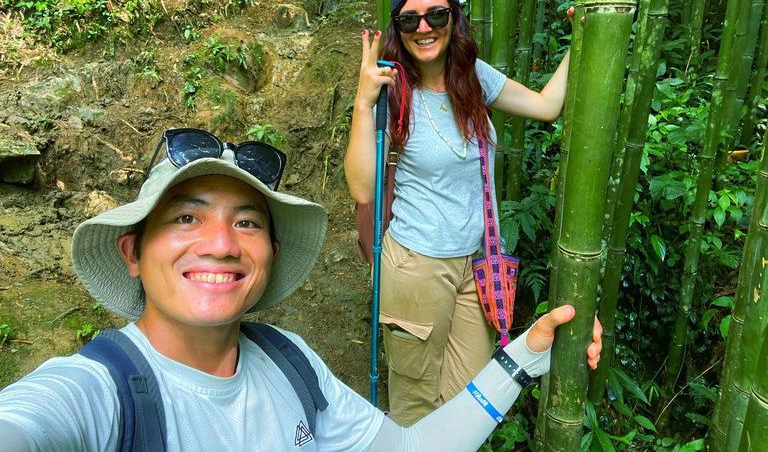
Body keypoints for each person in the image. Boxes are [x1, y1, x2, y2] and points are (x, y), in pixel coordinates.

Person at [0, 128, 600, 451]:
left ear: (270, 255)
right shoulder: (100, 392)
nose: (221, 243)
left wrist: (524, 356)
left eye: (247, 222)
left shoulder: (291, 362)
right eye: (186, 217)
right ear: (132, 253)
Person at [345, 0, 577, 426]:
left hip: (476, 265)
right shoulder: (390, 88)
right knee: (415, 402)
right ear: (397, 28)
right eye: (410, 20)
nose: (424, 28)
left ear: (454, 17)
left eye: (436, 14)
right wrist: (362, 101)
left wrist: (579, 41)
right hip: (415, 265)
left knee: (470, 399)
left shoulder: (472, 75)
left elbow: (547, 107)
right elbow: (361, 186)